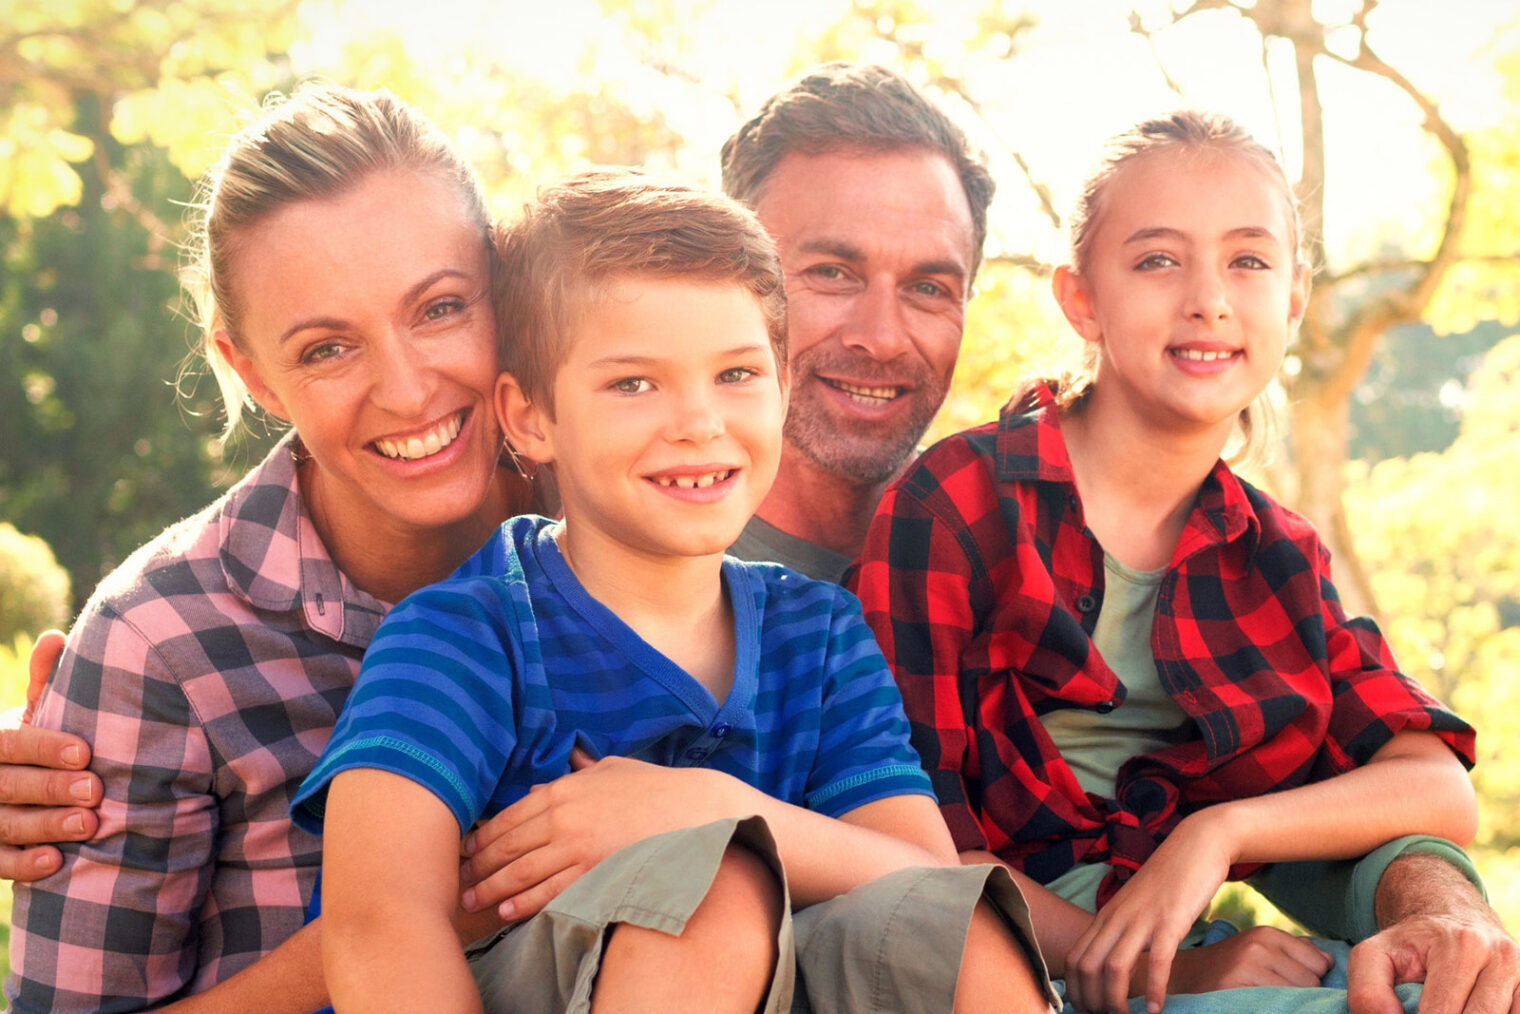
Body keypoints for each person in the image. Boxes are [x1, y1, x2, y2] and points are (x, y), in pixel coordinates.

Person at [292, 168, 1057, 1013]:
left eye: (736, 374)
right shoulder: (465, 634)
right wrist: (712, 848)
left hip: (781, 976)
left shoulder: (820, 633)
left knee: (961, 933)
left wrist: (708, 806)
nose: (699, 421)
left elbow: (920, 873)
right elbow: (378, 924)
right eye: (633, 383)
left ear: (782, 384)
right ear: (531, 418)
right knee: (713, 895)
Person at [850, 110, 1485, 1014]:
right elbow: (905, 842)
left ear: (1294, 297)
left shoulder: (1274, 555)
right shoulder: (958, 505)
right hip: (1007, 963)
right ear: (1081, 300)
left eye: (1249, 261)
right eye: (1157, 260)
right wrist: (1168, 970)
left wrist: (1217, 834)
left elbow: (1436, 787)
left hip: (1206, 948)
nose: (1209, 300)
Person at [3, 84, 540, 1013]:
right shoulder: (159, 644)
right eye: (327, 349)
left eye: (440, 308)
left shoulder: (625, 538)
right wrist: (395, 918)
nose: (408, 391)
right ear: (252, 372)